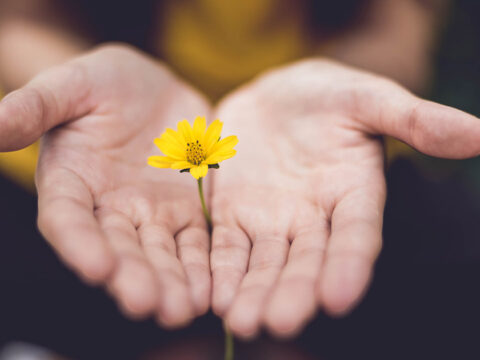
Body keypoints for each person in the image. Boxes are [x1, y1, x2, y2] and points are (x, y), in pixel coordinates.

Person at [0, 0, 478, 339]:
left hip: (318, 160)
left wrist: (344, 81)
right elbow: (17, 20)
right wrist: (77, 78)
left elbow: (397, 25)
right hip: (105, 159)